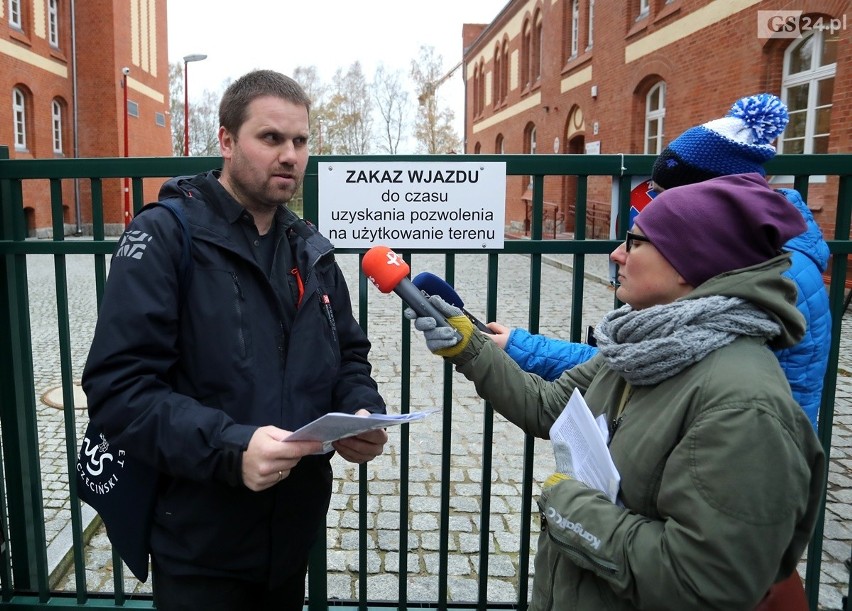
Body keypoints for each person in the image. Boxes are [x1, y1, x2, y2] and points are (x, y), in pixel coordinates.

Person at [406, 173, 825, 610]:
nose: (617, 253)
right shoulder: (639, 347)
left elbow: (704, 581)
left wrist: (570, 508)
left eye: (637, 242)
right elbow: (549, 407)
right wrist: (468, 345)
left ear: (690, 262)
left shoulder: (744, 405)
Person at [82, 70, 388, 610]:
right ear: (226, 140)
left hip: (292, 535)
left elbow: (348, 354)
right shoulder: (164, 236)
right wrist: (232, 447)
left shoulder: (309, 248)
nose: (290, 155)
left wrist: (359, 410)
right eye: (271, 138)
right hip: (201, 542)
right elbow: (118, 390)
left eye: (300, 140)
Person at [489, 93, 831, 430]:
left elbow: (648, 367)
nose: (654, 209)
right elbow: (627, 361)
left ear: (712, 204)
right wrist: (518, 345)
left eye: (664, 197)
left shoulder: (774, 274)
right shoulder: (732, 261)